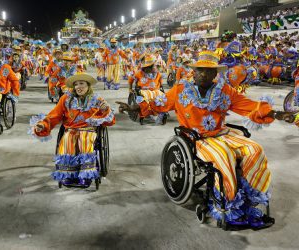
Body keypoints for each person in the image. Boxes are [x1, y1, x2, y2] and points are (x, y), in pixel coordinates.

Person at [117, 51, 295, 228]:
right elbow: (159, 103)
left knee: (255, 149)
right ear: (193, 72)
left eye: (209, 71)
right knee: (224, 156)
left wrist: (276, 113)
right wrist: (135, 107)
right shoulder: (180, 90)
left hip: (221, 134)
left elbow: (249, 106)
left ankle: (251, 201)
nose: (204, 74)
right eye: (200, 70)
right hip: (196, 139)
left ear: (215, 74)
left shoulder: (225, 90)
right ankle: (228, 207)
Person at [29, 73, 115, 187]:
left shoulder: (96, 99)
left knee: (85, 141)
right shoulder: (66, 98)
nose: (79, 87)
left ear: (88, 85)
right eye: (76, 84)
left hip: (88, 130)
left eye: (82, 84)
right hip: (71, 130)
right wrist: (43, 124)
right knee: (67, 140)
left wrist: (105, 110)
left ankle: (86, 176)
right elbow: (54, 115)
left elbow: (109, 120)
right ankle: (69, 174)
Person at [128, 54, 167, 124]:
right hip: (143, 91)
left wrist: (161, 89)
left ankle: (159, 113)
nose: (156, 67)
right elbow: (131, 79)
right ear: (149, 67)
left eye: (155, 65)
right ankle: (147, 113)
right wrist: (130, 88)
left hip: (155, 91)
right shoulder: (139, 73)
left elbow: (161, 83)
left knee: (161, 98)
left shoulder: (158, 74)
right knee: (145, 100)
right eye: (154, 66)